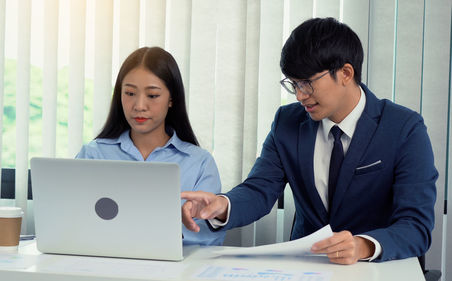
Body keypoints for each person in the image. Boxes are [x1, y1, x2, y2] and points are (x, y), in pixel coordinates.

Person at [181, 17, 437, 264]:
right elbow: (260, 189)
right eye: (293, 84)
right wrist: (222, 205)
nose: (300, 96)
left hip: (373, 268)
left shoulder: (404, 128)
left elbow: (415, 225)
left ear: (346, 73)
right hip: (306, 267)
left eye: (307, 83)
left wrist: (363, 245)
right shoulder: (287, 122)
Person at [77, 46, 225, 246]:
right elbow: (75, 222)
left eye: (152, 95)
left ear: (171, 99)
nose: (139, 105)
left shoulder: (199, 163)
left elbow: (208, 238)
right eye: (129, 93)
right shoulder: (94, 154)